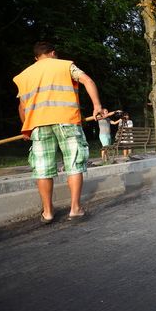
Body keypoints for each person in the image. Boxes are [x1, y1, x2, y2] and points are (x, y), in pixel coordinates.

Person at [13, 41, 103, 223]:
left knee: (43, 169)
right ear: (53, 53)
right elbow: (87, 80)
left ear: (36, 58)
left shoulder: (24, 75)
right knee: (74, 164)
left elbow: (22, 106)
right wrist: (97, 106)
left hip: (38, 125)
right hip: (66, 121)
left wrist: (26, 128)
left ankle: (47, 213)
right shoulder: (65, 65)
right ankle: (75, 209)